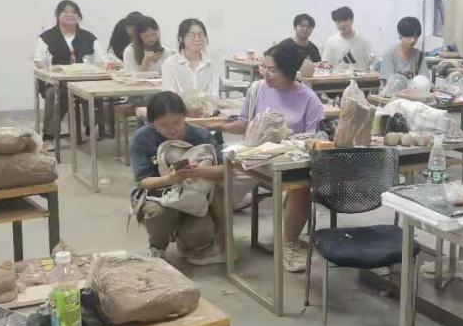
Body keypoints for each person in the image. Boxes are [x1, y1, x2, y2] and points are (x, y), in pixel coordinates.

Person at [214, 40, 325, 272]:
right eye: (264, 67)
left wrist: (289, 142)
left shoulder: (309, 99)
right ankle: (215, 237)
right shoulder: (257, 89)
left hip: (288, 160)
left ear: (289, 71)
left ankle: (288, 243)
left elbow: (315, 139)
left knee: (301, 186)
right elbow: (244, 123)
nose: (266, 73)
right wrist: (220, 125)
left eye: (272, 69)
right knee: (217, 183)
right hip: (254, 156)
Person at [130, 91, 225, 265]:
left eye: (177, 122)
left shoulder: (201, 135)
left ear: (185, 116)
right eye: (163, 125)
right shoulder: (142, 138)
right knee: (159, 213)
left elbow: (224, 171)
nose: (172, 129)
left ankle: (188, 242)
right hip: (157, 195)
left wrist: (198, 171)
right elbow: (143, 181)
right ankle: (157, 246)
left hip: (195, 195)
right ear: (152, 122)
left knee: (199, 234)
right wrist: (171, 179)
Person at [34, 0, 108, 143]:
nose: (70, 14)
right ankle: (49, 134)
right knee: (54, 94)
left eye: (74, 12)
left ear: (79, 16)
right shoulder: (47, 37)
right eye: (65, 11)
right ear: (58, 15)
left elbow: (101, 60)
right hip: (56, 82)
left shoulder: (88, 37)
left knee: (95, 91)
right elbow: (39, 61)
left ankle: (92, 126)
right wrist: (51, 70)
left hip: (84, 80)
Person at [160, 19, 220, 99]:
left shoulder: (211, 63)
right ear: (181, 38)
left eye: (201, 34)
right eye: (191, 35)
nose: (197, 39)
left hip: (206, 106)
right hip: (178, 106)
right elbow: (168, 95)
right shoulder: (170, 64)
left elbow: (214, 94)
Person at [321, 6, 372, 70]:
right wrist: (326, 65)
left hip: (360, 75)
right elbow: (325, 63)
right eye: (338, 22)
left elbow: (369, 64)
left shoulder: (364, 41)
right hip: (338, 76)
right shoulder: (331, 41)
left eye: (345, 20)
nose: (342, 24)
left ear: (352, 20)